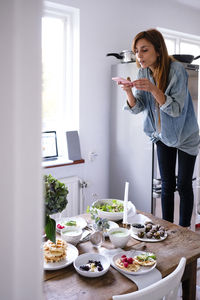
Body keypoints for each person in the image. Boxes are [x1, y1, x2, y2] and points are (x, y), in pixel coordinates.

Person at [117, 28, 200, 227]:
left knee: (183, 185)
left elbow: (176, 109)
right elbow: (139, 108)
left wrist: (153, 88)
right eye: (136, 51)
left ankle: (184, 232)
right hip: (163, 135)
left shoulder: (177, 70)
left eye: (144, 50)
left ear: (158, 49)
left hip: (186, 135)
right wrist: (129, 92)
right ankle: (167, 229)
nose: (139, 55)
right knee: (167, 185)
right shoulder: (142, 71)